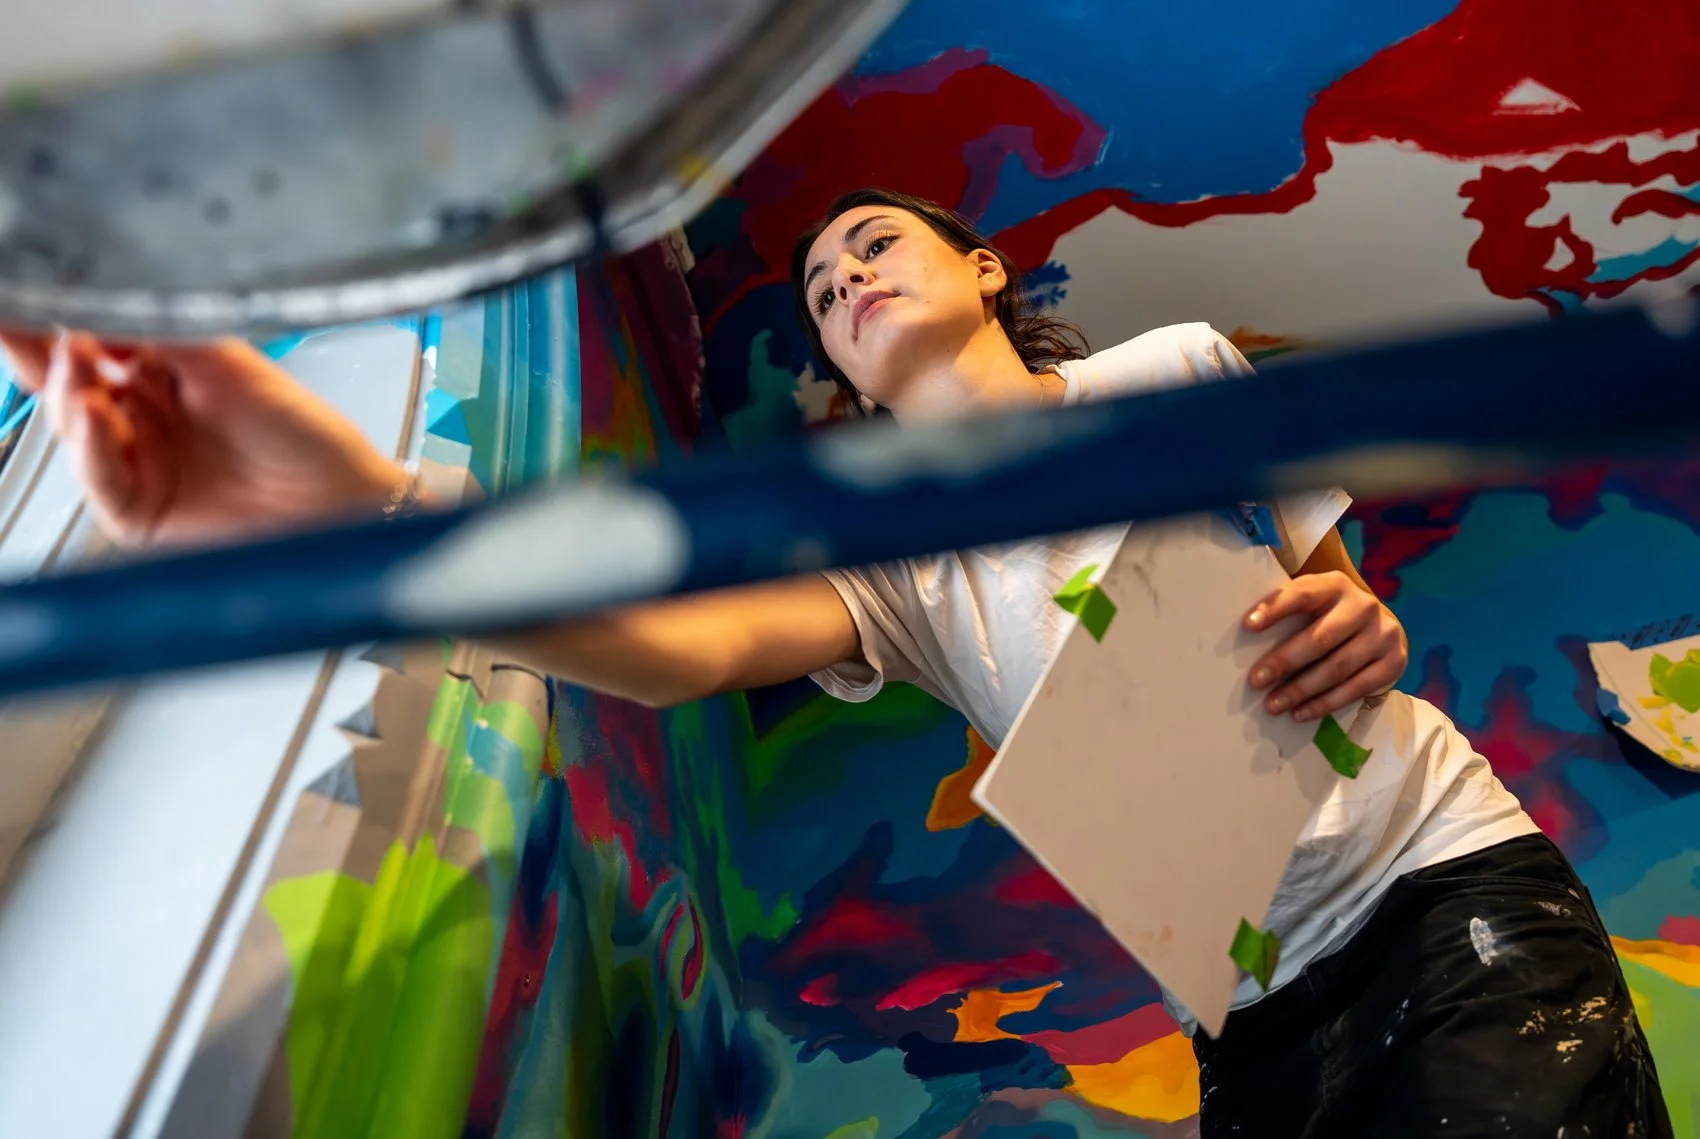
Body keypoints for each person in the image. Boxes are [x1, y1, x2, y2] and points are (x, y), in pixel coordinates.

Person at [0, 188, 1671, 1138]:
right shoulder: (901, 566)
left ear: (990, 271)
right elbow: (675, 649)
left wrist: (1362, 620)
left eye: (874, 244)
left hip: (1449, 907)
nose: (844, 278)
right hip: (1251, 1022)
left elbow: (1331, 605)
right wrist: (371, 501)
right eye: (817, 287)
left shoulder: (1173, 373)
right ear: (845, 390)